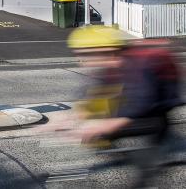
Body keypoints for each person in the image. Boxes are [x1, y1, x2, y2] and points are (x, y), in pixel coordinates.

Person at [67, 26, 183, 185]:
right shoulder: (111, 63)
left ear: (108, 50)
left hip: (155, 114)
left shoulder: (140, 65)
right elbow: (95, 92)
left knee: (146, 172)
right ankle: (144, 158)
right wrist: (74, 116)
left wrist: (102, 126)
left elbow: (141, 105)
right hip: (135, 104)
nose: (81, 60)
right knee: (100, 132)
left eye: (86, 54)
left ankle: (149, 171)